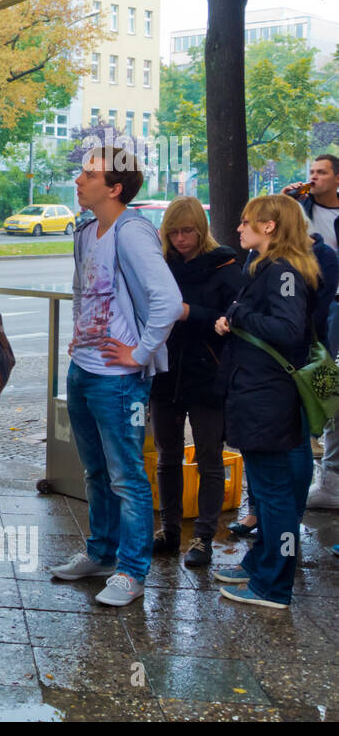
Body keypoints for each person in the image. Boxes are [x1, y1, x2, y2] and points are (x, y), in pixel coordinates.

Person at [49, 147, 182, 606]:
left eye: (89, 174)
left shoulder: (133, 232)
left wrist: (141, 352)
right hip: (83, 369)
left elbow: (167, 300)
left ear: (115, 188)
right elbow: (82, 289)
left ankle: (132, 570)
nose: (79, 180)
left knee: (126, 477)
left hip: (119, 379)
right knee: (96, 471)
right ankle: (102, 553)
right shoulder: (87, 231)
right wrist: (80, 333)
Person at [212, 195, 318, 609]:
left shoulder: (282, 270)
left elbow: (289, 329)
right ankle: (263, 565)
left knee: (274, 496)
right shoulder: (271, 267)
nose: (239, 228)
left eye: (246, 222)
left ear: (269, 226)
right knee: (275, 492)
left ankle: (273, 585)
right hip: (264, 394)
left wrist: (239, 317)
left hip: (266, 396)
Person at [150, 198, 241, 568]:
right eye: (173, 232)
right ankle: (169, 531)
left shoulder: (225, 264)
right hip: (166, 372)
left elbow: (234, 318)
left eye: (187, 231)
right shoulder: (161, 263)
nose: (181, 238)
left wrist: (192, 314)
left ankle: (203, 537)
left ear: (200, 230)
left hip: (209, 372)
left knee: (208, 458)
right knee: (167, 457)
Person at [283, 154, 339, 510]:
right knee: (325, 388)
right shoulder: (299, 205)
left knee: (332, 391)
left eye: (321, 172)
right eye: (311, 172)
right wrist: (288, 202)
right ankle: (330, 483)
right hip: (322, 308)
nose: (314, 177)